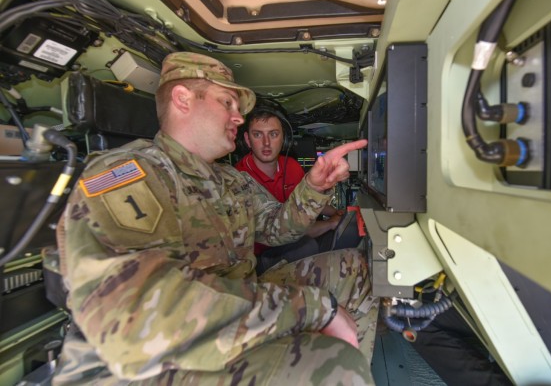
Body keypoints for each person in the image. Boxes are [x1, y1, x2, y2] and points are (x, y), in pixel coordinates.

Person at [52, 52, 379, 385]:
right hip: (150, 361)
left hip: (233, 300)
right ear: (183, 99)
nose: (238, 118)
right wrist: (313, 308)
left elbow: (277, 227)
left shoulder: (230, 179)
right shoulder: (128, 175)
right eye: (228, 103)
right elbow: (143, 319)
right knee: (336, 367)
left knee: (360, 269)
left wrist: (314, 185)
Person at [234, 101, 346, 270]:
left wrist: (338, 213)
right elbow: (292, 229)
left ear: (284, 138)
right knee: (308, 246)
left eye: (273, 134)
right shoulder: (239, 179)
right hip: (261, 254)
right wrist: (331, 223)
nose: (266, 143)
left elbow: (306, 201)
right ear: (248, 140)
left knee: (337, 244)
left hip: (290, 238)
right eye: (258, 135)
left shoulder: (292, 166)